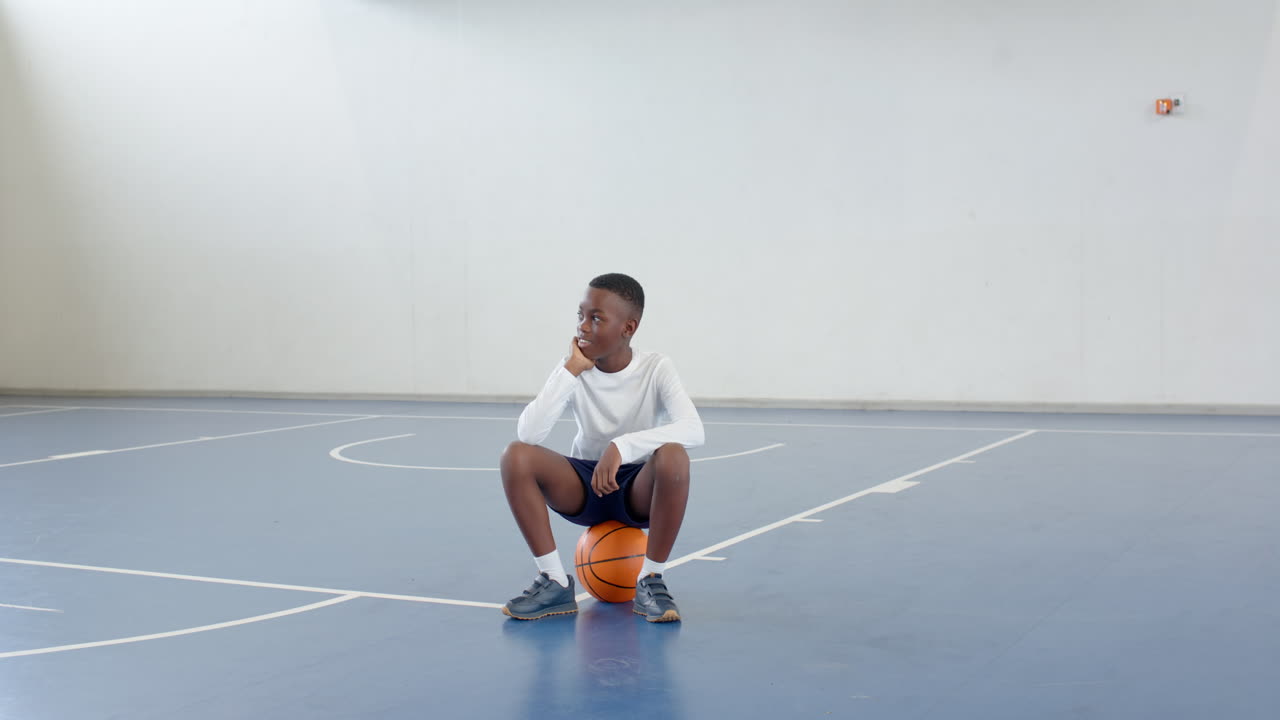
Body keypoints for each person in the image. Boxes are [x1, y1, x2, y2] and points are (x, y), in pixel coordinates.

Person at [500, 273, 705, 622]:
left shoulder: (656, 367)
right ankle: (552, 580)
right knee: (515, 456)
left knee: (674, 456)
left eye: (596, 318)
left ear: (628, 328)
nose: (583, 327)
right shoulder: (572, 367)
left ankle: (650, 579)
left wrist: (622, 447)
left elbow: (693, 429)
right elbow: (529, 434)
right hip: (584, 488)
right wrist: (571, 370)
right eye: (580, 315)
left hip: (637, 490)